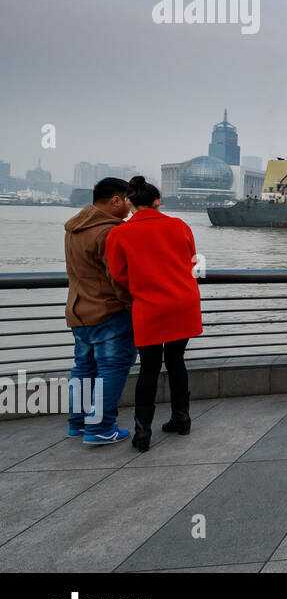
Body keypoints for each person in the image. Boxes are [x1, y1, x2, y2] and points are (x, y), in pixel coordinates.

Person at [106, 176, 203, 452]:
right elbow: (192, 259)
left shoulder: (119, 234)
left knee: (149, 368)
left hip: (148, 307)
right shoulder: (179, 225)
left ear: (129, 202)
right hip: (184, 304)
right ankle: (181, 419)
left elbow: (118, 275)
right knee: (176, 361)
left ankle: (142, 433)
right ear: (157, 201)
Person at [64, 177, 137, 445]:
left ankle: (78, 423)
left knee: (83, 368)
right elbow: (118, 277)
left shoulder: (74, 228)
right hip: (109, 313)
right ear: (116, 200)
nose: (129, 210)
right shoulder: (110, 232)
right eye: (127, 202)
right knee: (112, 369)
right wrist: (129, 304)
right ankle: (101, 428)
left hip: (78, 311)